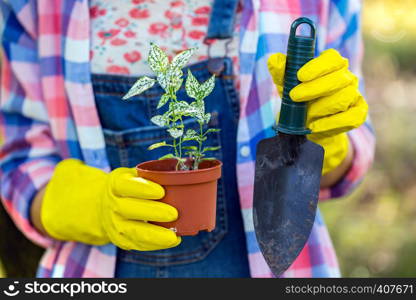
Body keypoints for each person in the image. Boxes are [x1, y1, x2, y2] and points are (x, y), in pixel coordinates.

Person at [0, 0, 374, 278]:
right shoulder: (32, 7)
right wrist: (84, 205)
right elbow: (17, 158)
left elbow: (351, 158)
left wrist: (328, 143)